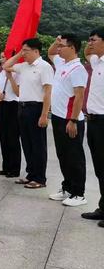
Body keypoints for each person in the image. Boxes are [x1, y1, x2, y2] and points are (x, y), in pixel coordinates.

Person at [4, 38, 54, 189]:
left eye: (26, 50)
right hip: (22, 107)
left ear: (36, 51)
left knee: (38, 144)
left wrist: (44, 114)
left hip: (36, 108)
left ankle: (40, 178)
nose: (23, 53)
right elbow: (6, 66)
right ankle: (30, 174)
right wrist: (20, 53)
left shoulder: (44, 67)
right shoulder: (23, 66)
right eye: (23, 50)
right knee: (26, 143)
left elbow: (48, 92)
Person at [48, 34, 88, 206]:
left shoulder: (78, 69)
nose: (58, 49)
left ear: (72, 48)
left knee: (75, 157)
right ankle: (68, 188)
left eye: (62, 46)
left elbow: (79, 97)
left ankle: (79, 194)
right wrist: (56, 41)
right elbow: (50, 53)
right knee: (63, 155)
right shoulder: (61, 63)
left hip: (70, 120)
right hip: (57, 117)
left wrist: (72, 120)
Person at [81, 27, 104, 227]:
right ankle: (103, 207)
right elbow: (87, 53)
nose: (89, 43)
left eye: (93, 39)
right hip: (94, 120)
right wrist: (90, 47)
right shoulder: (97, 61)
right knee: (99, 168)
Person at [0, 52, 21, 178]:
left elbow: (18, 92)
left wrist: (10, 77)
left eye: (4, 57)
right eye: (1, 57)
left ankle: (14, 169)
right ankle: (6, 166)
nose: (2, 59)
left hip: (13, 106)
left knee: (12, 138)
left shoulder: (17, 73)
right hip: (2, 105)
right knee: (3, 137)